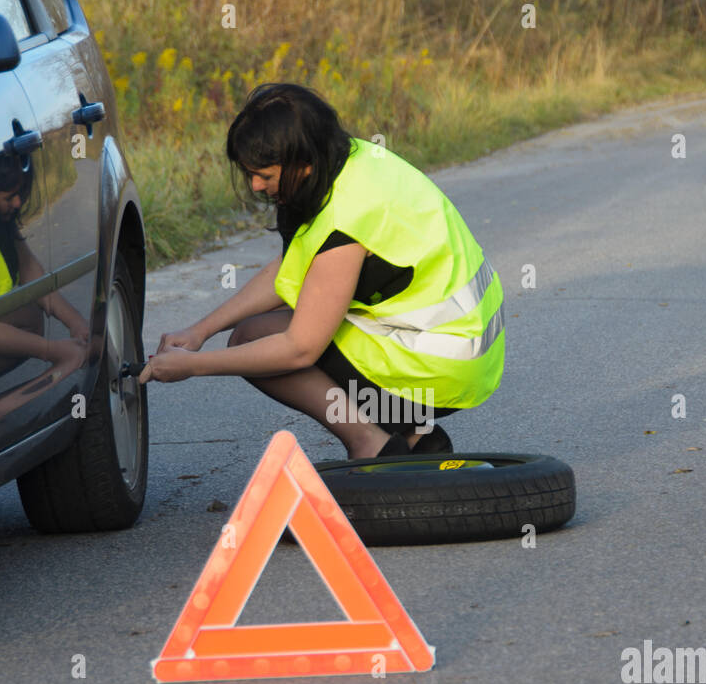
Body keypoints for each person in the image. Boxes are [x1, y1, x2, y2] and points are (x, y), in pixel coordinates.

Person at [141, 83, 505, 458]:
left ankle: (371, 443)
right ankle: (414, 436)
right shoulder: (353, 161)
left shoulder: (345, 221)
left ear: (303, 163)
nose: (255, 185)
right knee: (258, 334)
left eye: (265, 175)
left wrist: (193, 366)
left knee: (254, 340)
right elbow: (294, 270)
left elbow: (298, 350)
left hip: (441, 366)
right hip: (456, 347)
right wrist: (199, 331)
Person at [0, 152, 89, 422]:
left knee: (27, 314)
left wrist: (76, 323)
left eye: (20, 193)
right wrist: (52, 350)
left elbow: (29, 270)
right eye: (9, 197)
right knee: (24, 322)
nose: (17, 202)